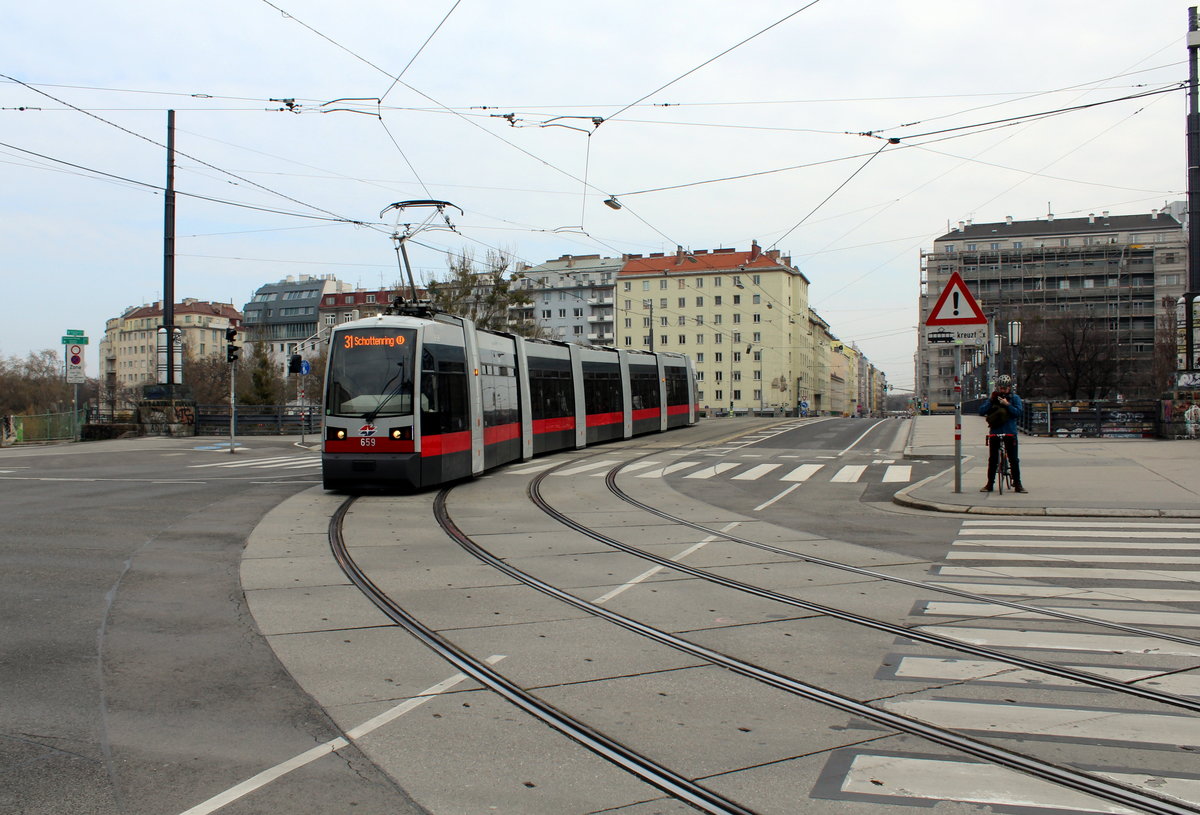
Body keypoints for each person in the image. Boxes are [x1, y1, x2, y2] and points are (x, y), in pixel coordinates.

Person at [978, 374, 1026, 493]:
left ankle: (1018, 483)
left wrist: (1007, 405)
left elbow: (1018, 412)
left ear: (1009, 388)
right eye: (1001, 388)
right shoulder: (994, 398)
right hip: (995, 432)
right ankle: (990, 483)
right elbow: (981, 411)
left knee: (1013, 459)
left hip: (1010, 432)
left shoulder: (1014, 398)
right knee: (992, 459)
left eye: (1005, 388)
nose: (1002, 390)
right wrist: (990, 400)